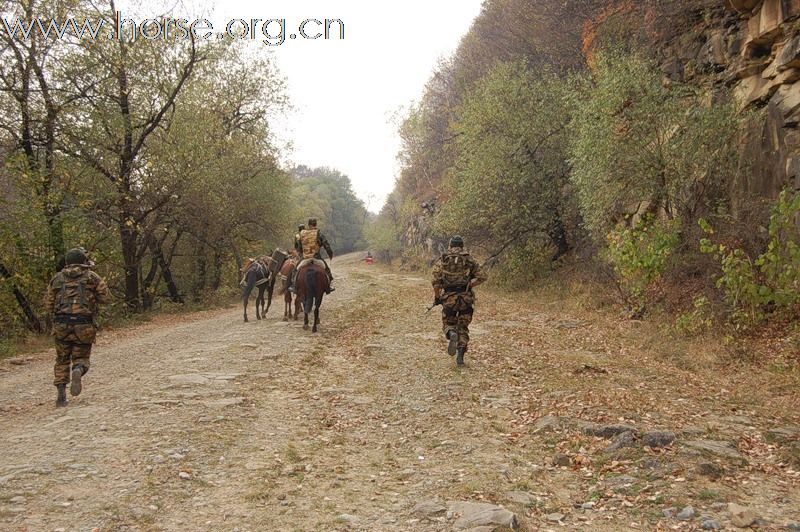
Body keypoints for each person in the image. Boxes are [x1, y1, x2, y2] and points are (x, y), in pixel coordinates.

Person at [44, 247, 110, 407]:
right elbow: (106, 298)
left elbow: (48, 303)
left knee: (61, 359)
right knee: (81, 358)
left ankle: (61, 395)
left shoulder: (57, 279)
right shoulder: (92, 277)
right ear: (83, 261)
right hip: (83, 324)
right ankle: (78, 370)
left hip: (61, 324)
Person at [431, 236, 487, 366]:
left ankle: (451, 334)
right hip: (466, 298)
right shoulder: (468, 259)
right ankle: (460, 357)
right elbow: (483, 276)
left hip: (449, 298)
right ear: (462, 246)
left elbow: (436, 282)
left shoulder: (444, 259)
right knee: (463, 327)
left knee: (448, 323)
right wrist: (470, 285)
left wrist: (437, 297)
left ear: (450, 246)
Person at [292, 218, 335, 293]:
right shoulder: (319, 233)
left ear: (308, 225)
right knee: (327, 270)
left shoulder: (302, 234)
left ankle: (294, 286)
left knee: (295, 270)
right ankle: (329, 286)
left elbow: (298, 247)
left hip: (305, 259)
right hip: (317, 258)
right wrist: (330, 254)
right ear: (316, 224)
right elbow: (326, 245)